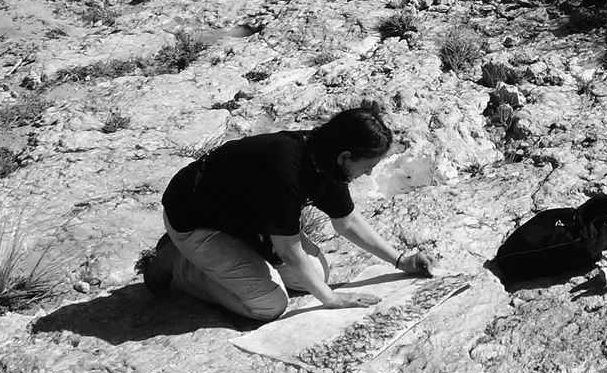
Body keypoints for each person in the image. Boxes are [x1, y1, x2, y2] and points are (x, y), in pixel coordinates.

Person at [140, 103, 432, 321]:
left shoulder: (325, 160)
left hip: (243, 219)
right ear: (346, 156)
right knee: (268, 304)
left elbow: (348, 222)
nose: (369, 173)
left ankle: (221, 259)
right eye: (368, 165)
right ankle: (177, 263)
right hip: (195, 218)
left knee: (317, 274)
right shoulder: (285, 171)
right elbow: (290, 251)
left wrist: (400, 260)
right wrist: (330, 300)